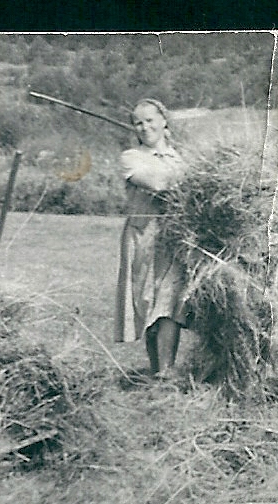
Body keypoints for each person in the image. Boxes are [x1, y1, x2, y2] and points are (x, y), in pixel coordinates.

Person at [114, 98, 190, 378]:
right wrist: (188, 175)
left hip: (173, 238)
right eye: (138, 122)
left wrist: (186, 168)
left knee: (169, 303)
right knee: (146, 303)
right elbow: (157, 184)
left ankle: (165, 371)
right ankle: (157, 367)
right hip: (142, 237)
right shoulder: (131, 157)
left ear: (164, 122)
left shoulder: (181, 157)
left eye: (150, 120)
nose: (144, 127)